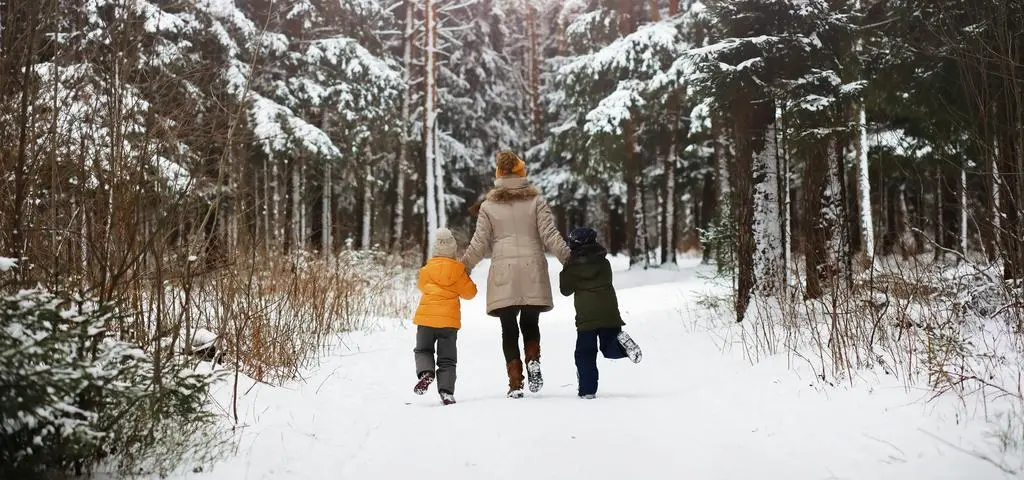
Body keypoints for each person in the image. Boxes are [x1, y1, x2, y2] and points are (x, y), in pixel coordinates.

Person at [462, 151, 570, 398]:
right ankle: (532, 357)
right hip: (533, 268)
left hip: (504, 272)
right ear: (522, 174)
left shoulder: (488, 206)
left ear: (498, 175)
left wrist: (464, 267)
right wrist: (569, 259)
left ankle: (515, 382)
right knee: (530, 323)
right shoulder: (536, 201)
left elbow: (480, 242)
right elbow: (550, 235)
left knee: (508, 328)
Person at [559, 227, 642, 399]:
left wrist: (566, 268)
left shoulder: (573, 267)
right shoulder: (604, 262)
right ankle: (623, 347)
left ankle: (588, 390)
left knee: (585, 353)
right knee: (609, 347)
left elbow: (565, 290)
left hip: (586, 318)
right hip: (610, 313)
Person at [412, 228, 478, 405]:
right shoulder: (458, 271)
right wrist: (466, 278)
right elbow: (470, 293)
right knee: (447, 359)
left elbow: (422, 286)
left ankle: (426, 372)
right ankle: (446, 392)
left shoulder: (426, 270)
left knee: (423, 350)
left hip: (426, 320)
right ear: (453, 250)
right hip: (448, 323)